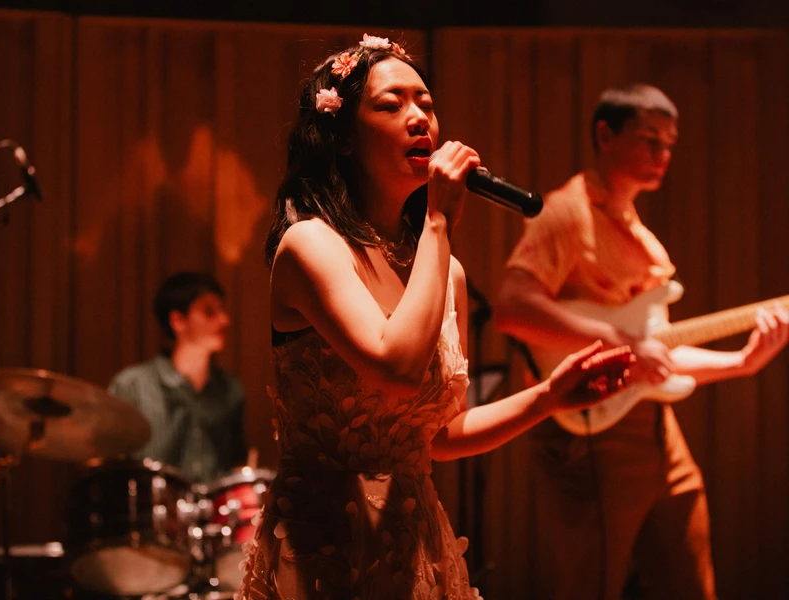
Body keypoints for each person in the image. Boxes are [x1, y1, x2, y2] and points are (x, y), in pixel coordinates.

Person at [236, 34, 634, 600]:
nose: (420, 117)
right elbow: (396, 370)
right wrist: (440, 221)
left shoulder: (446, 272)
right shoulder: (311, 245)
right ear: (342, 137)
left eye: (425, 102)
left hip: (415, 541)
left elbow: (439, 436)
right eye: (392, 104)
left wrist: (549, 396)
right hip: (326, 548)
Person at [493, 83, 789, 600]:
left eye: (670, 144)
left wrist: (742, 362)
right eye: (650, 139)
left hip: (655, 425)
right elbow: (513, 308)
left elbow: (656, 350)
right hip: (590, 428)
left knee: (691, 581)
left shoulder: (637, 232)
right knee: (591, 586)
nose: (662, 154)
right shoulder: (566, 213)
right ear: (605, 135)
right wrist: (620, 339)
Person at [108, 271, 248, 483]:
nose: (224, 320)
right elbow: (111, 465)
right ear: (178, 320)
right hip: (152, 501)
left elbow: (236, 462)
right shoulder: (132, 385)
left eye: (223, 310)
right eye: (210, 312)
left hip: (214, 503)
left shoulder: (230, 389)